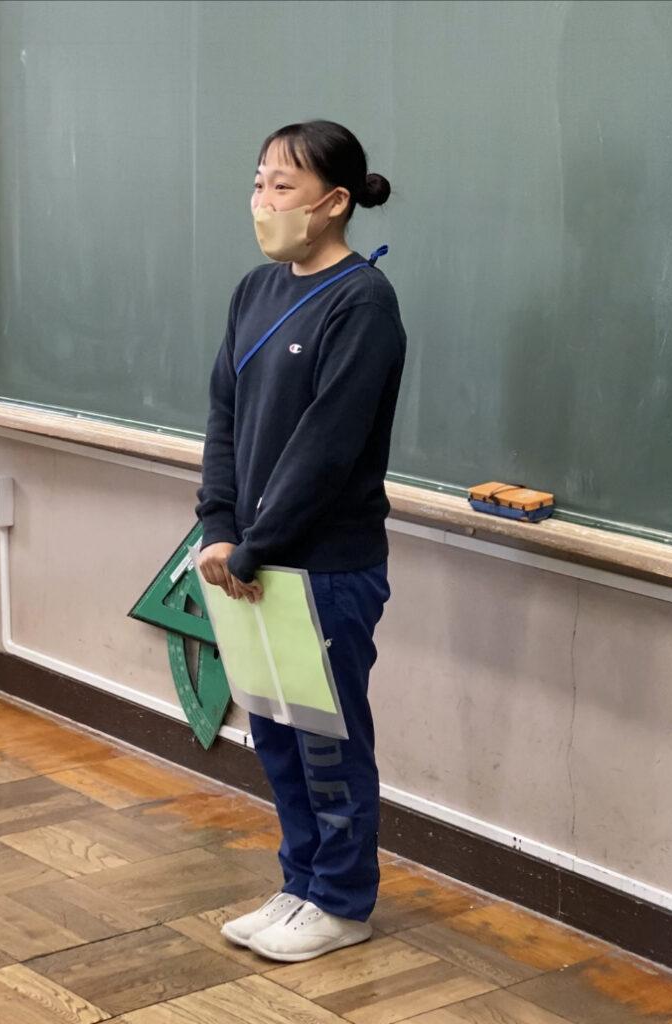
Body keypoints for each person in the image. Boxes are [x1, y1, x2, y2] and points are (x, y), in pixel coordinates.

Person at [196, 120, 406, 962]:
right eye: (258, 182)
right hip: (250, 561)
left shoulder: (362, 302)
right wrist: (218, 526)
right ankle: (302, 884)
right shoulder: (255, 290)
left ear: (334, 202)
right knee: (278, 739)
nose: (263, 201)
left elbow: (326, 449)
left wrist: (253, 548)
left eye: (282, 186)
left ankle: (343, 902)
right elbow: (223, 415)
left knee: (328, 744)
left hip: (323, 568)